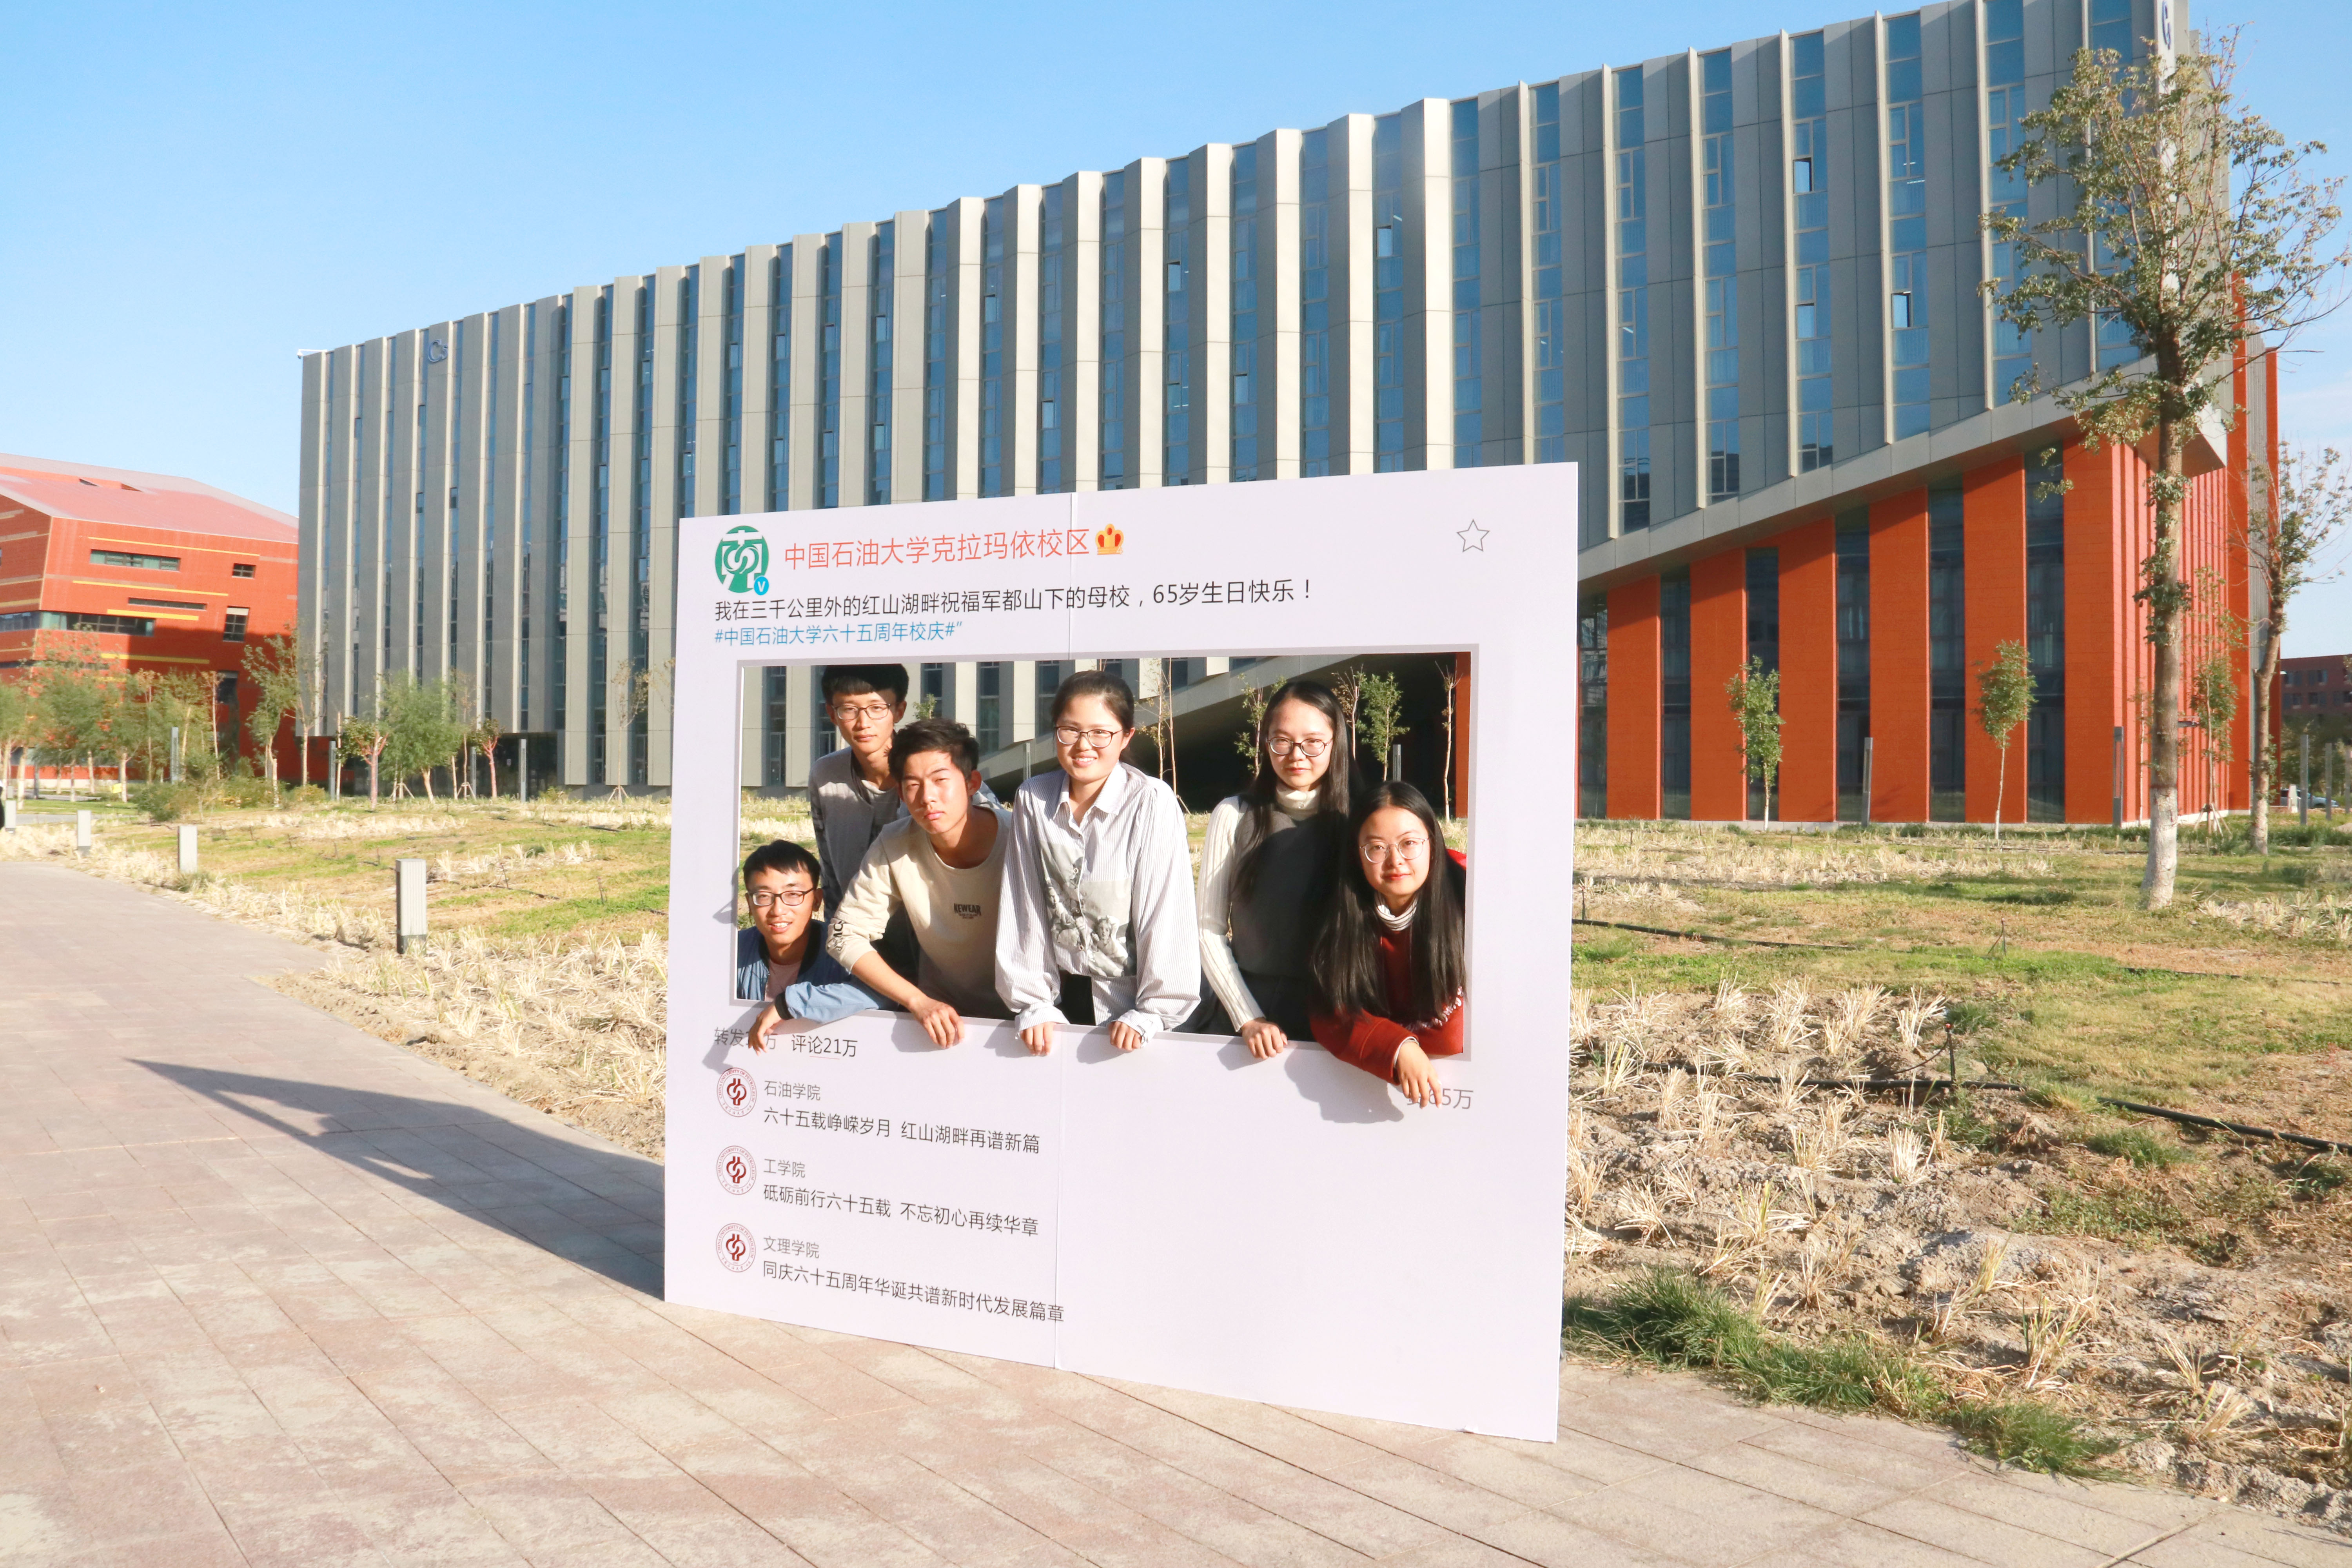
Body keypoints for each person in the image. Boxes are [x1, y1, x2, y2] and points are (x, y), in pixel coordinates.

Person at [997, 668, 1200, 1055]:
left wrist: (1154, 1012)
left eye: (1100, 733)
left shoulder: (1150, 800)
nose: (1083, 745)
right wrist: (1034, 1003)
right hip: (1057, 1006)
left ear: (1126, 736)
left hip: (1134, 1010)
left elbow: (1165, 910)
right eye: (1070, 730)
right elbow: (1025, 903)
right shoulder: (1033, 798)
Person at [815, 717, 1013, 1048]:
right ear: (901, 794)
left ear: (972, 783)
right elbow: (844, 935)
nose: (927, 797)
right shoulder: (895, 843)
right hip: (940, 1022)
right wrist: (917, 1001)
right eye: (913, 785)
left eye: (940, 780)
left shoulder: (1021, 838)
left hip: (1025, 1021)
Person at [1192, 679, 1354, 1056]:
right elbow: (1207, 929)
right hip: (1245, 1018)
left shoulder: (1359, 819)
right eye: (1282, 741)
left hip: (1335, 1019)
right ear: (1266, 742)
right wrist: (1248, 1017)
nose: (1297, 755)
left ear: (1336, 743)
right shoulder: (1234, 814)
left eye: (1313, 742)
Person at [1309, 781, 1467, 1106]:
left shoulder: (1469, 894)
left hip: (1460, 1087)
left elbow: (1456, 1033)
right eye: (1377, 848)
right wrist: (1399, 1048)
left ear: (1433, 843)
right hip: (1371, 1094)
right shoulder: (1340, 913)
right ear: (1358, 855)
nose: (1395, 860)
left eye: (1410, 843)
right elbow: (1329, 1009)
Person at [734, 840, 871, 1049]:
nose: (778, 910)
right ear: (750, 904)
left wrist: (792, 1003)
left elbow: (884, 994)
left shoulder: (844, 950)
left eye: (793, 895)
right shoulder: (733, 952)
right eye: (763, 896)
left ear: (817, 900)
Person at [807, 664, 912, 916]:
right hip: (853, 929)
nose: (863, 723)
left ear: (899, 711)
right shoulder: (826, 774)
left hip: (925, 931)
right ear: (832, 714)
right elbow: (829, 870)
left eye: (877, 708)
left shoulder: (932, 770)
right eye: (849, 709)